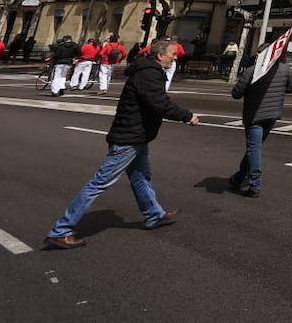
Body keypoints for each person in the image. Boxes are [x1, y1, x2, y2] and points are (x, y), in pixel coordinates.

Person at [43, 39, 198, 249]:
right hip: (129, 138)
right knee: (99, 183)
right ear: (160, 55)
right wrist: (187, 116)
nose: (175, 56)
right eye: (172, 53)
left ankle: (154, 214)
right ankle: (61, 230)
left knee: (141, 176)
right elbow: (159, 103)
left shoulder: (148, 70)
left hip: (137, 136)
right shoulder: (149, 73)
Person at [229, 41, 292, 197]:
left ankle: (255, 184)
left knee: (254, 149)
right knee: (254, 148)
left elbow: (236, 94)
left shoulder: (251, 72)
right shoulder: (285, 70)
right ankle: (239, 178)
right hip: (272, 115)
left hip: (254, 116)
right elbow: (291, 88)